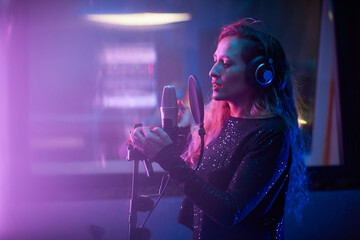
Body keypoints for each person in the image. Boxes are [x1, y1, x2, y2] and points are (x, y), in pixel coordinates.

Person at [130, 18, 308, 240]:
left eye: (226, 63)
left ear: (258, 73)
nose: (213, 71)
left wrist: (165, 156)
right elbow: (202, 181)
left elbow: (228, 211)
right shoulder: (221, 122)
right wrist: (182, 135)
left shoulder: (272, 134)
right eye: (215, 60)